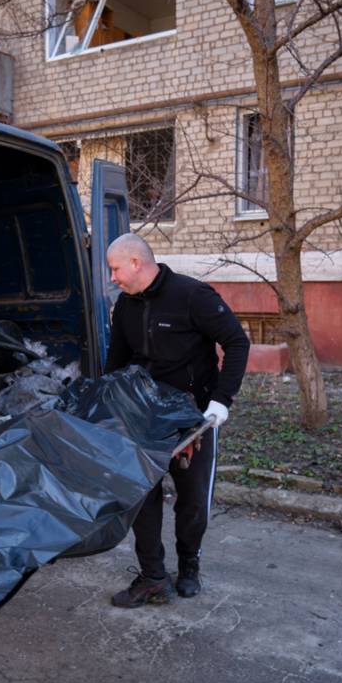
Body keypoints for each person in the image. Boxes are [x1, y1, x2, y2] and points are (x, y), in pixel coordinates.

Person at [104, 233, 250, 607]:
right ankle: (153, 576)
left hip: (193, 420)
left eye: (115, 269)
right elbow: (117, 361)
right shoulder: (125, 305)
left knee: (192, 501)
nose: (113, 278)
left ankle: (189, 567)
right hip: (144, 417)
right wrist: (109, 407)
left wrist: (220, 401)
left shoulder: (193, 296)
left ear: (136, 263)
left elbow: (236, 343)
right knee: (143, 497)